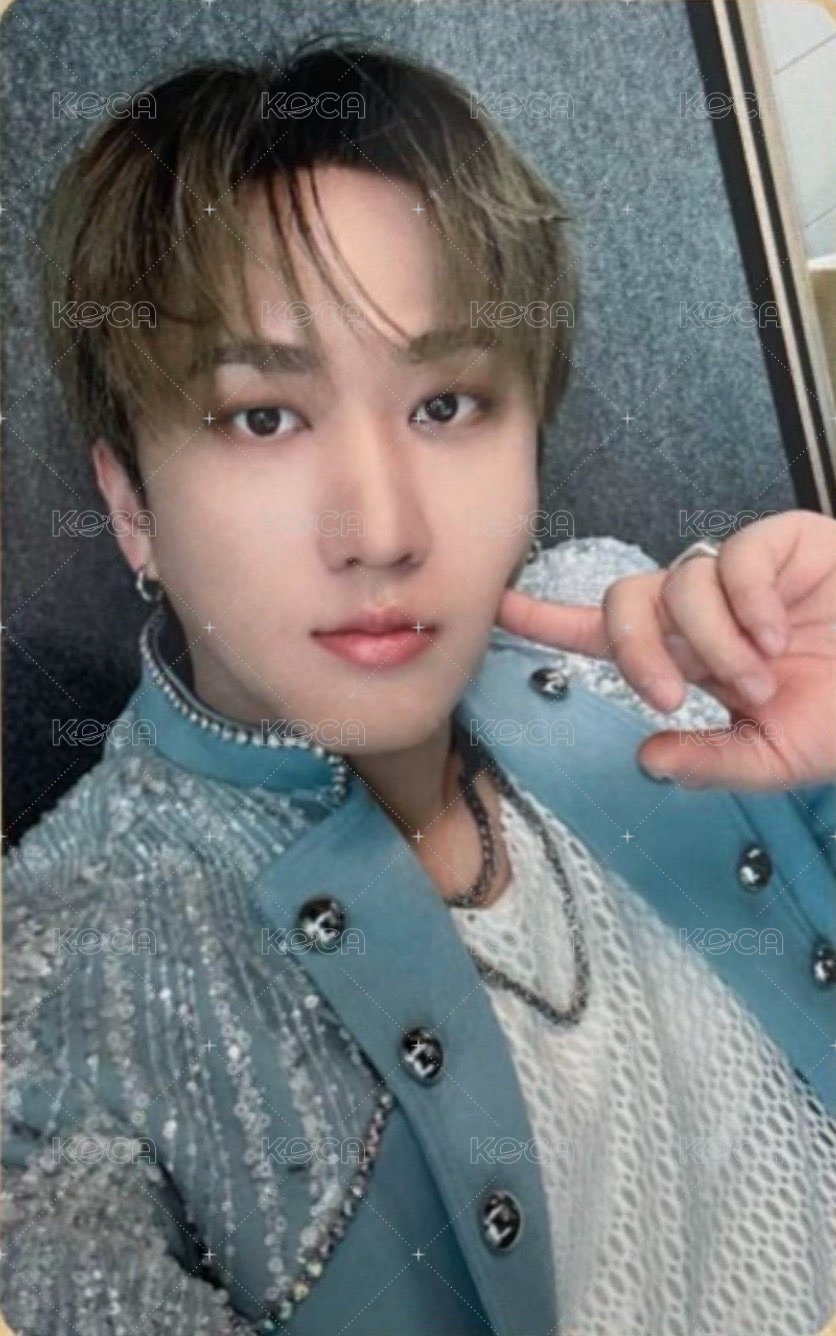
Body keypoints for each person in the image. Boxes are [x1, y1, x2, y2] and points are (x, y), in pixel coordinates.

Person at [2, 35, 835, 1336]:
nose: (383, 531)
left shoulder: (649, 651)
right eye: (264, 417)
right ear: (131, 509)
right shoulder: (67, 979)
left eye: (446, 405)